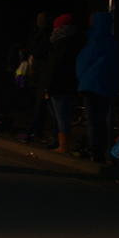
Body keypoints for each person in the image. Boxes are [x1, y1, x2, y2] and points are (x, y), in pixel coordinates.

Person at [76, 12, 119, 163]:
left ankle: (95, 151)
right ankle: (101, 151)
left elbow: (84, 61)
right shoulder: (112, 42)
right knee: (102, 120)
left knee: (93, 120)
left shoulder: (94, 40)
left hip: (91, 86)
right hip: (106, 87)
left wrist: (82, 79)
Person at [42, 13, 82, 153]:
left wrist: (48, 86)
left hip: (58, 86)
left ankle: (63, 145)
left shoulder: (59, 45)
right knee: (63, 115)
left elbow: (54, 67)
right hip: (68, 85)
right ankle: (62, 143)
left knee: (60, 116)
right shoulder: (75, 44)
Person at [21, 11, 55, 143]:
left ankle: (35, 131)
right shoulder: (39, 34)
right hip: (36, 74)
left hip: (41, 74)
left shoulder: (45, 35)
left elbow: (38, 50)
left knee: (39, 104)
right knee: (36, 104)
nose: (39, 21)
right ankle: (34, 130)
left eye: (41, 19)